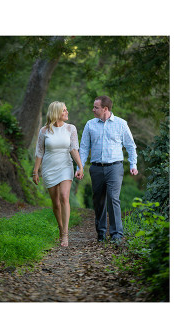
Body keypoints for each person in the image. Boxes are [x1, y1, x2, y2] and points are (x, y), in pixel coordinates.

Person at [77, 95, 138, 243]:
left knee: (113, 198)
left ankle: (117, 234)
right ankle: (101, 233)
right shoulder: (90, 125)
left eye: (96, 107)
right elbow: (84, 147)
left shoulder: (121, 124)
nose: (93, 109)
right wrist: (80, 166)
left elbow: (130, 145)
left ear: (105, 109)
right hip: (96, 168)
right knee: (98, 200)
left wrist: (133, 164)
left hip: (115, 167)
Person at [32, 101, 83, 247]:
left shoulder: (71, 128)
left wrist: (80, 166)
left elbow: (74, 149)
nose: (67, 112)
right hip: (49, 167)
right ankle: (61, 229)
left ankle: (65, 234)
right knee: (55, 203)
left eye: (66, 110)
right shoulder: (44, 131)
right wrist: (35, 172)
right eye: (64, 111)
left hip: (66, 165)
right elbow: (40, 152)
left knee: (64, 196)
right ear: (56, 113)